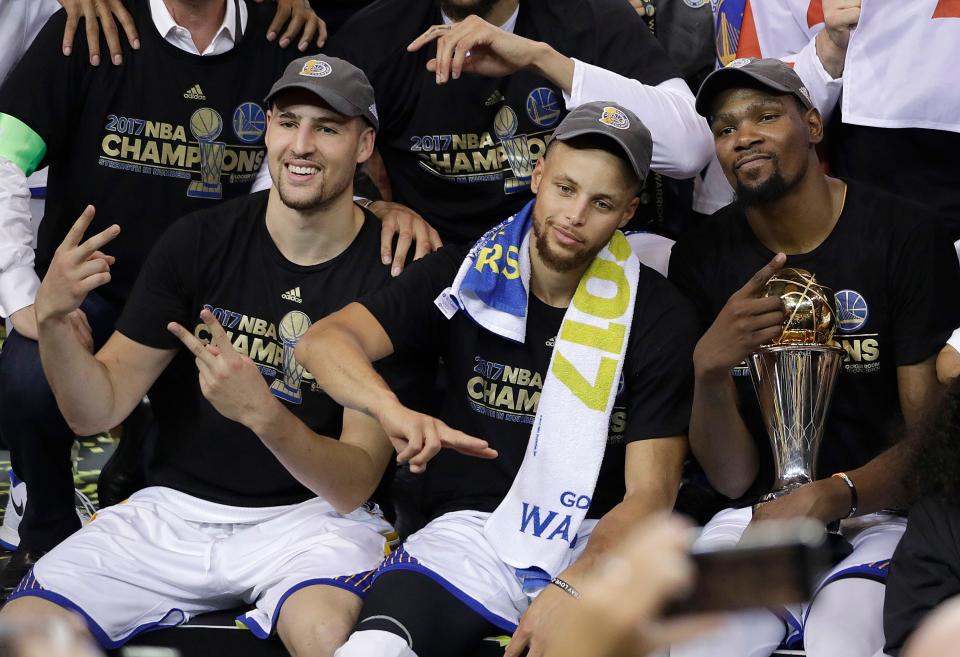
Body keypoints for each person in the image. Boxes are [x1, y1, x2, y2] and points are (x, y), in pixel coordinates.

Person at [0, 54, 490, 654]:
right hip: (172, 511)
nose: (301, 146)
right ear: (266, 129)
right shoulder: (198, 239)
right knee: (23, 632)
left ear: (365, 146)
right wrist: (53, 322)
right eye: (288, 123)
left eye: (327, 128)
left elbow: (352, 486)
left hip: (313, 523)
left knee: (324, 634)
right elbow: (94, 412)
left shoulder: (395, 269)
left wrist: (263, 413)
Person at [294, 101, 698, 657]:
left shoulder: (659, 313)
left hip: (596, 539)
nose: (574, 215)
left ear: (628, 212)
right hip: (471, 533)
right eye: (564, 188)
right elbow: (322, 343)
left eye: (601, 203)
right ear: (537, 176)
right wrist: (392, 411)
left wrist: (573, 583)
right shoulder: (466, 274)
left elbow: (652, 494)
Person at [0, 0, 331, 589]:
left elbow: (286, 184)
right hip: (96, 292)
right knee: (28, 377)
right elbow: (3, 151)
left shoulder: (283, 35)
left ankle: (154, 468)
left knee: (267, 379)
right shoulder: (88, 24)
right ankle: (45, 523)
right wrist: (24, 295)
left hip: (213, 299)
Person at [667, 58, 960, 657]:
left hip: (879, 516)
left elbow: (930, 444)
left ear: (813, 125)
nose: (742, 136)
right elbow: (730, 477)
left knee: (842, 641)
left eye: (765, 116)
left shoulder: (905, 235)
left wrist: (833, 494)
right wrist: (711, 368)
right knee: (706, 646)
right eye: (724, 130)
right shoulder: (702, 257)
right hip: (762, 519)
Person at [322, 0, 713, 248]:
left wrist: (543, 60)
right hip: (435, 258)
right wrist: (368, 205)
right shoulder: (378, 32)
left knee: (653, 256)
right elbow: (295, 154)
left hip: (574, 253)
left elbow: (690, 148)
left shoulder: (591, 17)